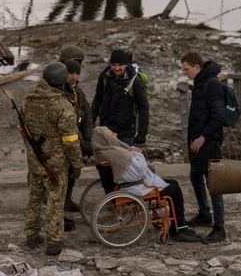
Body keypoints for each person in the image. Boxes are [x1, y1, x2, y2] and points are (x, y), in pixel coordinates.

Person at [92, 127, 202, 242]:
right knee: (174, 190)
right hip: (134, 186)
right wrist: (137, 154)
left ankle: (178, 226)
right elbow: (139, 172)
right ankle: (180, 229)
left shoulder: (108, 151)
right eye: (111, 133)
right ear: (106, 138)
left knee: (173, 183)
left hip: (130, 184)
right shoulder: (117, 153)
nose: (115, 133)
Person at [22, 62, 83, 256]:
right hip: (55, 163)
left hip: (34, 160)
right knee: (55, 201)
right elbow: (71, 140)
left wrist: (32, 151)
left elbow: (24, 130)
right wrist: (77, 164)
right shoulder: (61, 106)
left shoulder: (29, 99)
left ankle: (31, 235)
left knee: (34, 198)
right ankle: (54, 242)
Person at [181, 51, 227, 244]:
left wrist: (203, 137)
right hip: (198, 142)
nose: (185, 73)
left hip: (209, 142)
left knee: (214, 184)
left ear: (197, 67)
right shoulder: (200, 83)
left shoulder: (212, 84)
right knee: (195, 175)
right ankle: (204, 214)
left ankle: (219, 229)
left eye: (187, 69)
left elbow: (219, 116)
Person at [91, 49, 150, 193]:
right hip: (106, 129)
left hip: (125, 131)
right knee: (103, 164)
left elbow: (144, 108)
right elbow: (97, 101)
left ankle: (127, 198)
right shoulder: (104, 77)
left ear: (126, 65)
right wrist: (90, 125)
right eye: (114, 65)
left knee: (124, 165)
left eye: (120, 65)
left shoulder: (134, 81)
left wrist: (141, 136)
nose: (117, 68)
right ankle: (110, 195)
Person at [59, 46, 94, 213]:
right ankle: (59, 206)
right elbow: (68, 123)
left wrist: (88, 140)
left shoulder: (76, 91)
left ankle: (66, 200)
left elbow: (86, 116)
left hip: (75, 140)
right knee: (62, 175)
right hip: (63, 142)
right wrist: (82, 143)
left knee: (73, 171)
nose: (75, 75)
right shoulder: (57, 89)